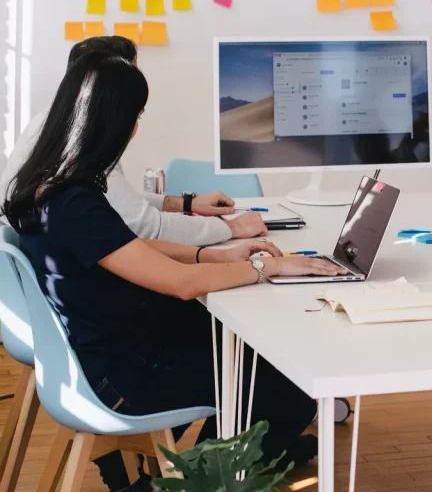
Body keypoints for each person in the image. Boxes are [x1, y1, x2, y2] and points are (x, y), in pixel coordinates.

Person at [2, 52, 345, 491]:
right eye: (136, 115)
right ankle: (187, 481)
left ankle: (218, 462)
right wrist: (266, 267)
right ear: (114, 121)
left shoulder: (49, 184)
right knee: (289, 392)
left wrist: (213, 256)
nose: (137, 126)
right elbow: (181, 286)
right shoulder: (75, 201)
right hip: (121, 375)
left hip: (111, 349)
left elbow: (127, 248)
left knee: (247, 357)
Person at [0, 36, 267, 246]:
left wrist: (183, 204)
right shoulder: (80, 142)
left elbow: (111, 201)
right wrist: (231, 228)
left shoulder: (53, 124)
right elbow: (146, 228)